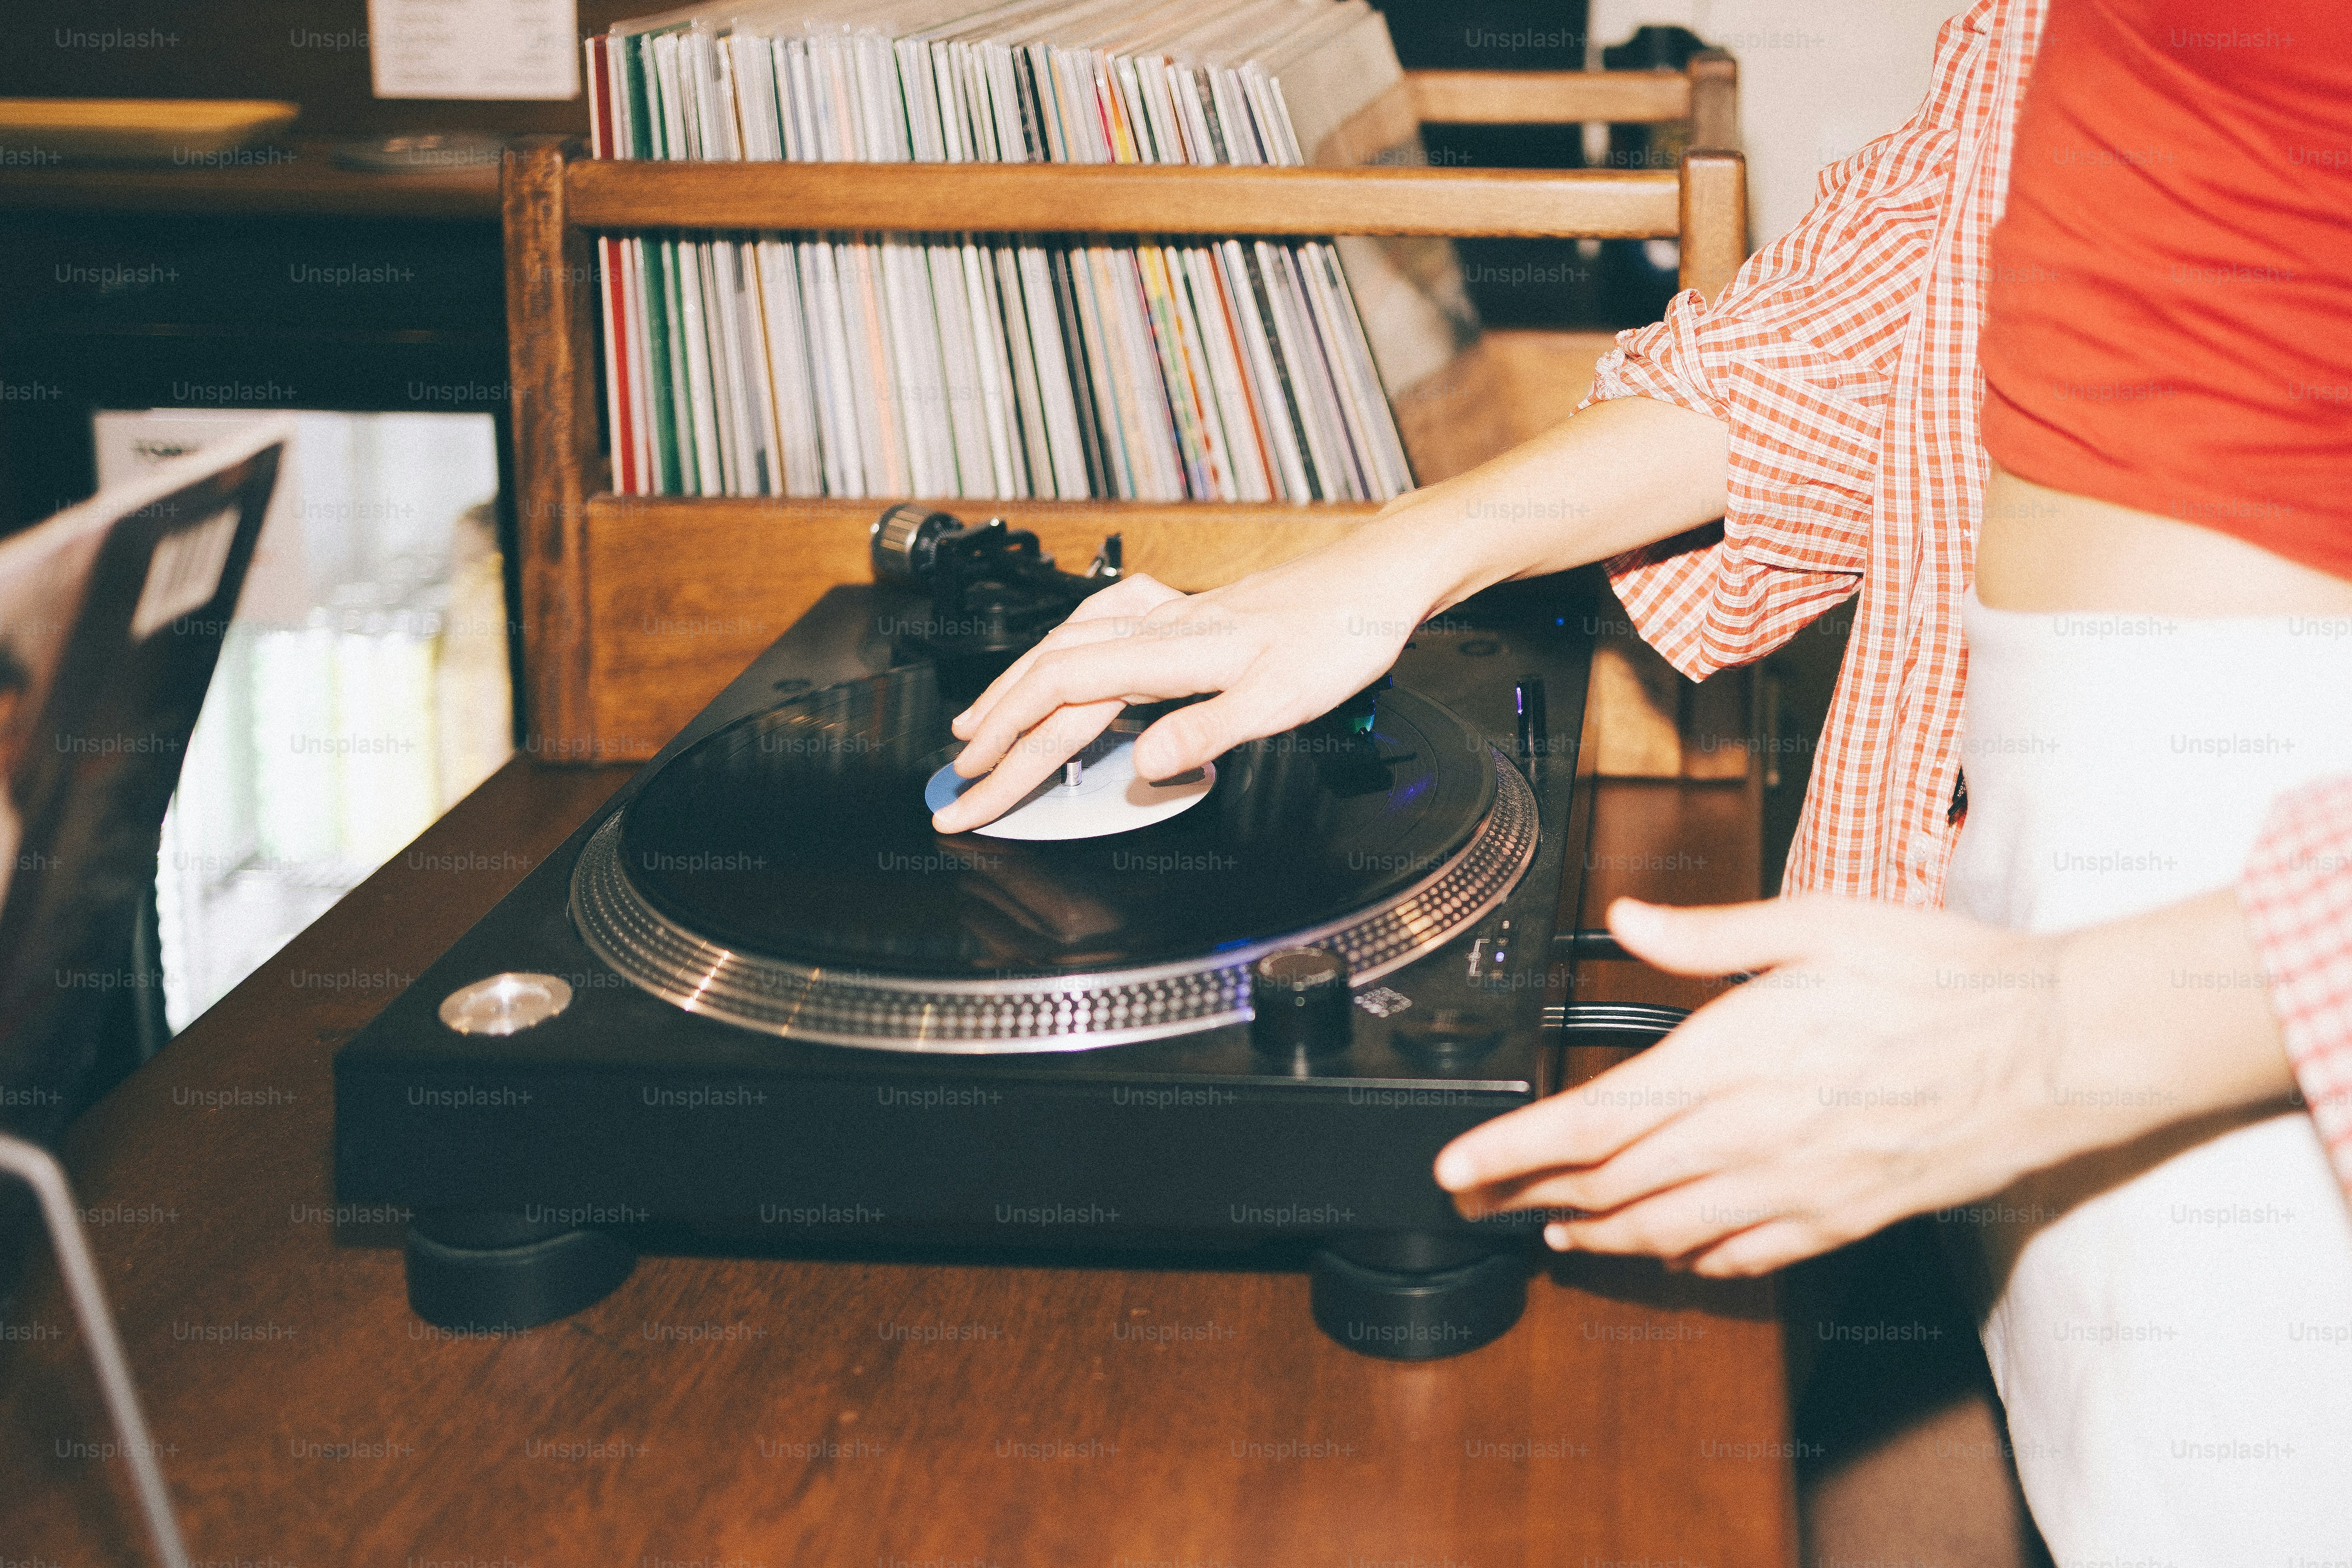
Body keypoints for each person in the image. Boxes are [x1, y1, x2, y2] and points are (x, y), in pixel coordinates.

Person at [936, 0, 2352, 1557]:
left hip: (2245, 958)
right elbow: (1873, 317)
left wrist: (2066, 1028)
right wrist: (1390, 562)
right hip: (1994, 838)